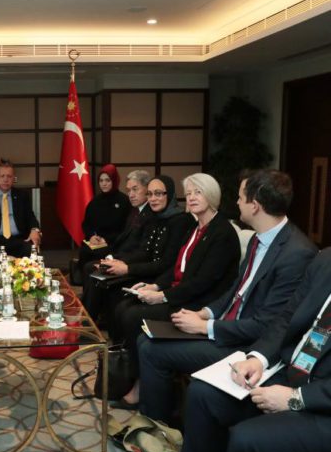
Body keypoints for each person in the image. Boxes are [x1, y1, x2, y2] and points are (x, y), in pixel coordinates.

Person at [138, 170, 317, 424]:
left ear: (255, 206)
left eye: (241, 197)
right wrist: (204, 313)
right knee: (146, 339)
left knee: (151, 350)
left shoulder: (296, 254)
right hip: (225, 325)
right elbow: (235, 289)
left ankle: (157, 427)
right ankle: (161, 421)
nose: (236, 202)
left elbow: (269, 324)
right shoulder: (259, 238)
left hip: (245, 345)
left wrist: (206, 327)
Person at [177, 248, 331, 452]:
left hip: (322, 402)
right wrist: (258, 358)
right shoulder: (325, 259)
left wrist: (297, 398)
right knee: (203, 394)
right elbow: (288, 317)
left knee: (246, 440)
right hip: (296, 369)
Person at [109, 173, 241, 409]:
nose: (191, 198)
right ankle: (133, 378)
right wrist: (156, 285)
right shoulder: (197, 227)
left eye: (198, 192)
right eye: (188, 193)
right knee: (124, 305)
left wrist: (162, 296)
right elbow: (176, 267)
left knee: (132, 315)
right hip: (180, 292)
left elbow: (202, 282)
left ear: (212, 195)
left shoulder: (222, 232)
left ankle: (140, 386)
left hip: (198, 304)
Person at [91, 175, 193, 331]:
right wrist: (121, 262)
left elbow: (166, 263)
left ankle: (115, 341)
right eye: (150, 194)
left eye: (158, 193)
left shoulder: (180, 221)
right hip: (149, 272)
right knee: (104, 281)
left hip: (162, 278)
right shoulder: (157, 217)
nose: (153, 199)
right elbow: (146, 252)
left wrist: (127, 268)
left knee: (118, 298)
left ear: (170, 194)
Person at [81, 169, 152, 317]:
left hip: (130, 263)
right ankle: (88, 316)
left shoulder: (148, 213)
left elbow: (143, 251)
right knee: (88, 259)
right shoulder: (135, 211)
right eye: (129, 190)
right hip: (118, 252)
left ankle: (88, 318)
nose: (131, 194)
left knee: (93, 271)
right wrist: (93, 237)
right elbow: (87, 223)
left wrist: (113, 258)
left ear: (147, 189)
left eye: (135, 189)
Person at [0, 158, 41, 270]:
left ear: (13, 179)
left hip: (18, 239)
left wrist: (35, 229)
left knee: (29, 250)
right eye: (2, 176)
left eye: (9, 176)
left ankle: (23, 280)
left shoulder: (22, 196)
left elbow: (31, 217)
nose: (6, 179)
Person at [78, 164, 131, 270]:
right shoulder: (95, 201)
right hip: (96, 242)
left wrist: (106, 240)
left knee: (99, 254)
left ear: (114, 181)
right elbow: (86, 224)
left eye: (107, 180)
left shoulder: (124, 201)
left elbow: (127, 229)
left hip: (115, 243)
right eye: (101, 181)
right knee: (84, 251)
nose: (104, 184)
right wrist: (91, 236)